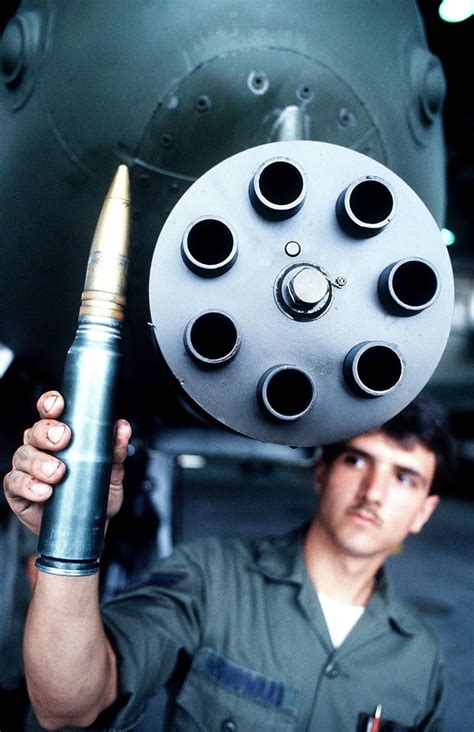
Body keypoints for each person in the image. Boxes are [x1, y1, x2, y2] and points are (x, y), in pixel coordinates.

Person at [3, 392, 456, 730]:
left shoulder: (419, 661)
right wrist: (72, 538)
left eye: (404, 478)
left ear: (424, 511)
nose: (373, 493)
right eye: (357, 461)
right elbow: (68, 704)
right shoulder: (209, 579)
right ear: (321, 473)